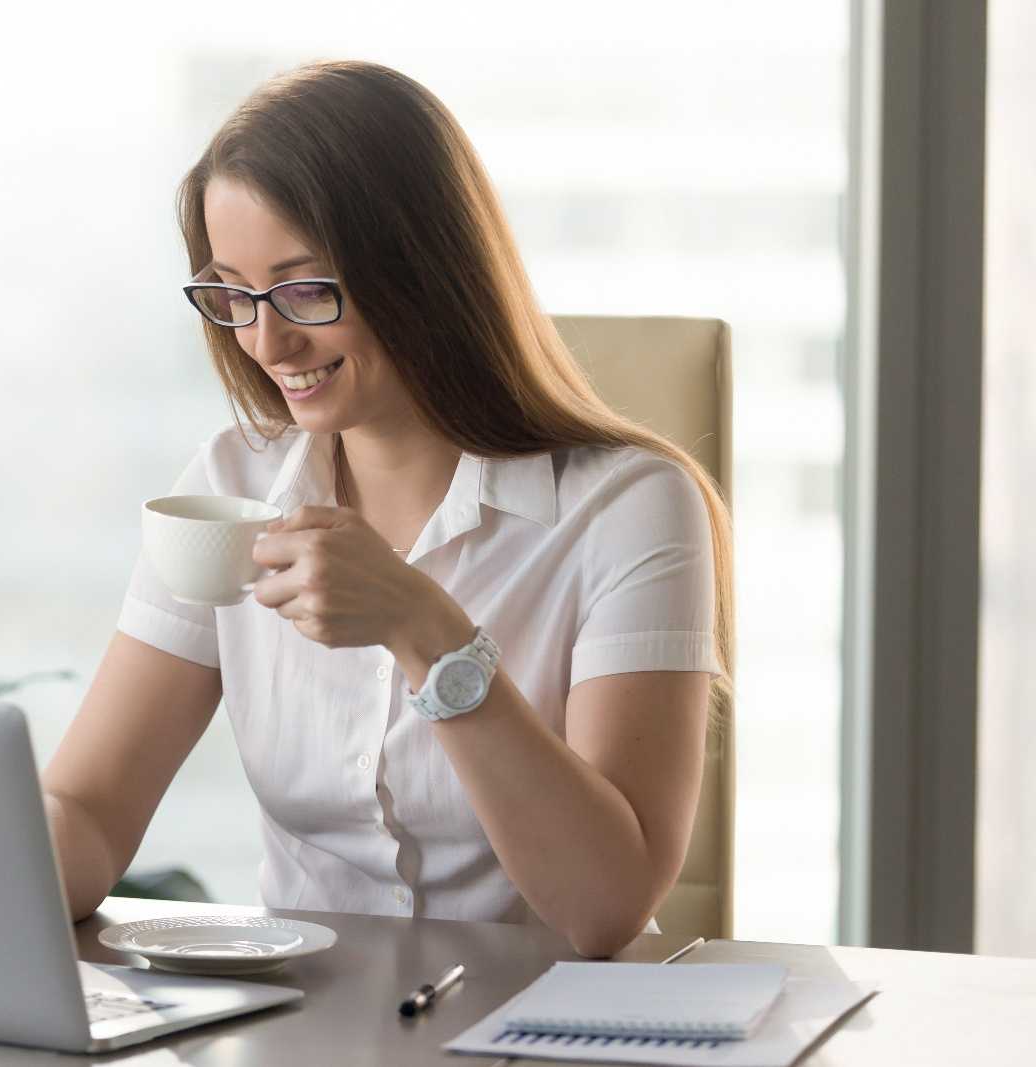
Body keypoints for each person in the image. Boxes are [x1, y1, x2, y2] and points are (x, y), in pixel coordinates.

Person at [40, 60, 732, 958]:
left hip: (543, 1030)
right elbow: (92, 806)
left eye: (303, 289)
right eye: (233, 294)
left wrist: (425, 628)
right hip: (299, 1024)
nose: (266, 340)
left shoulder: (630, 507)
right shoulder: (232, 485)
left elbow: (604, 904)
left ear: (423, 269)